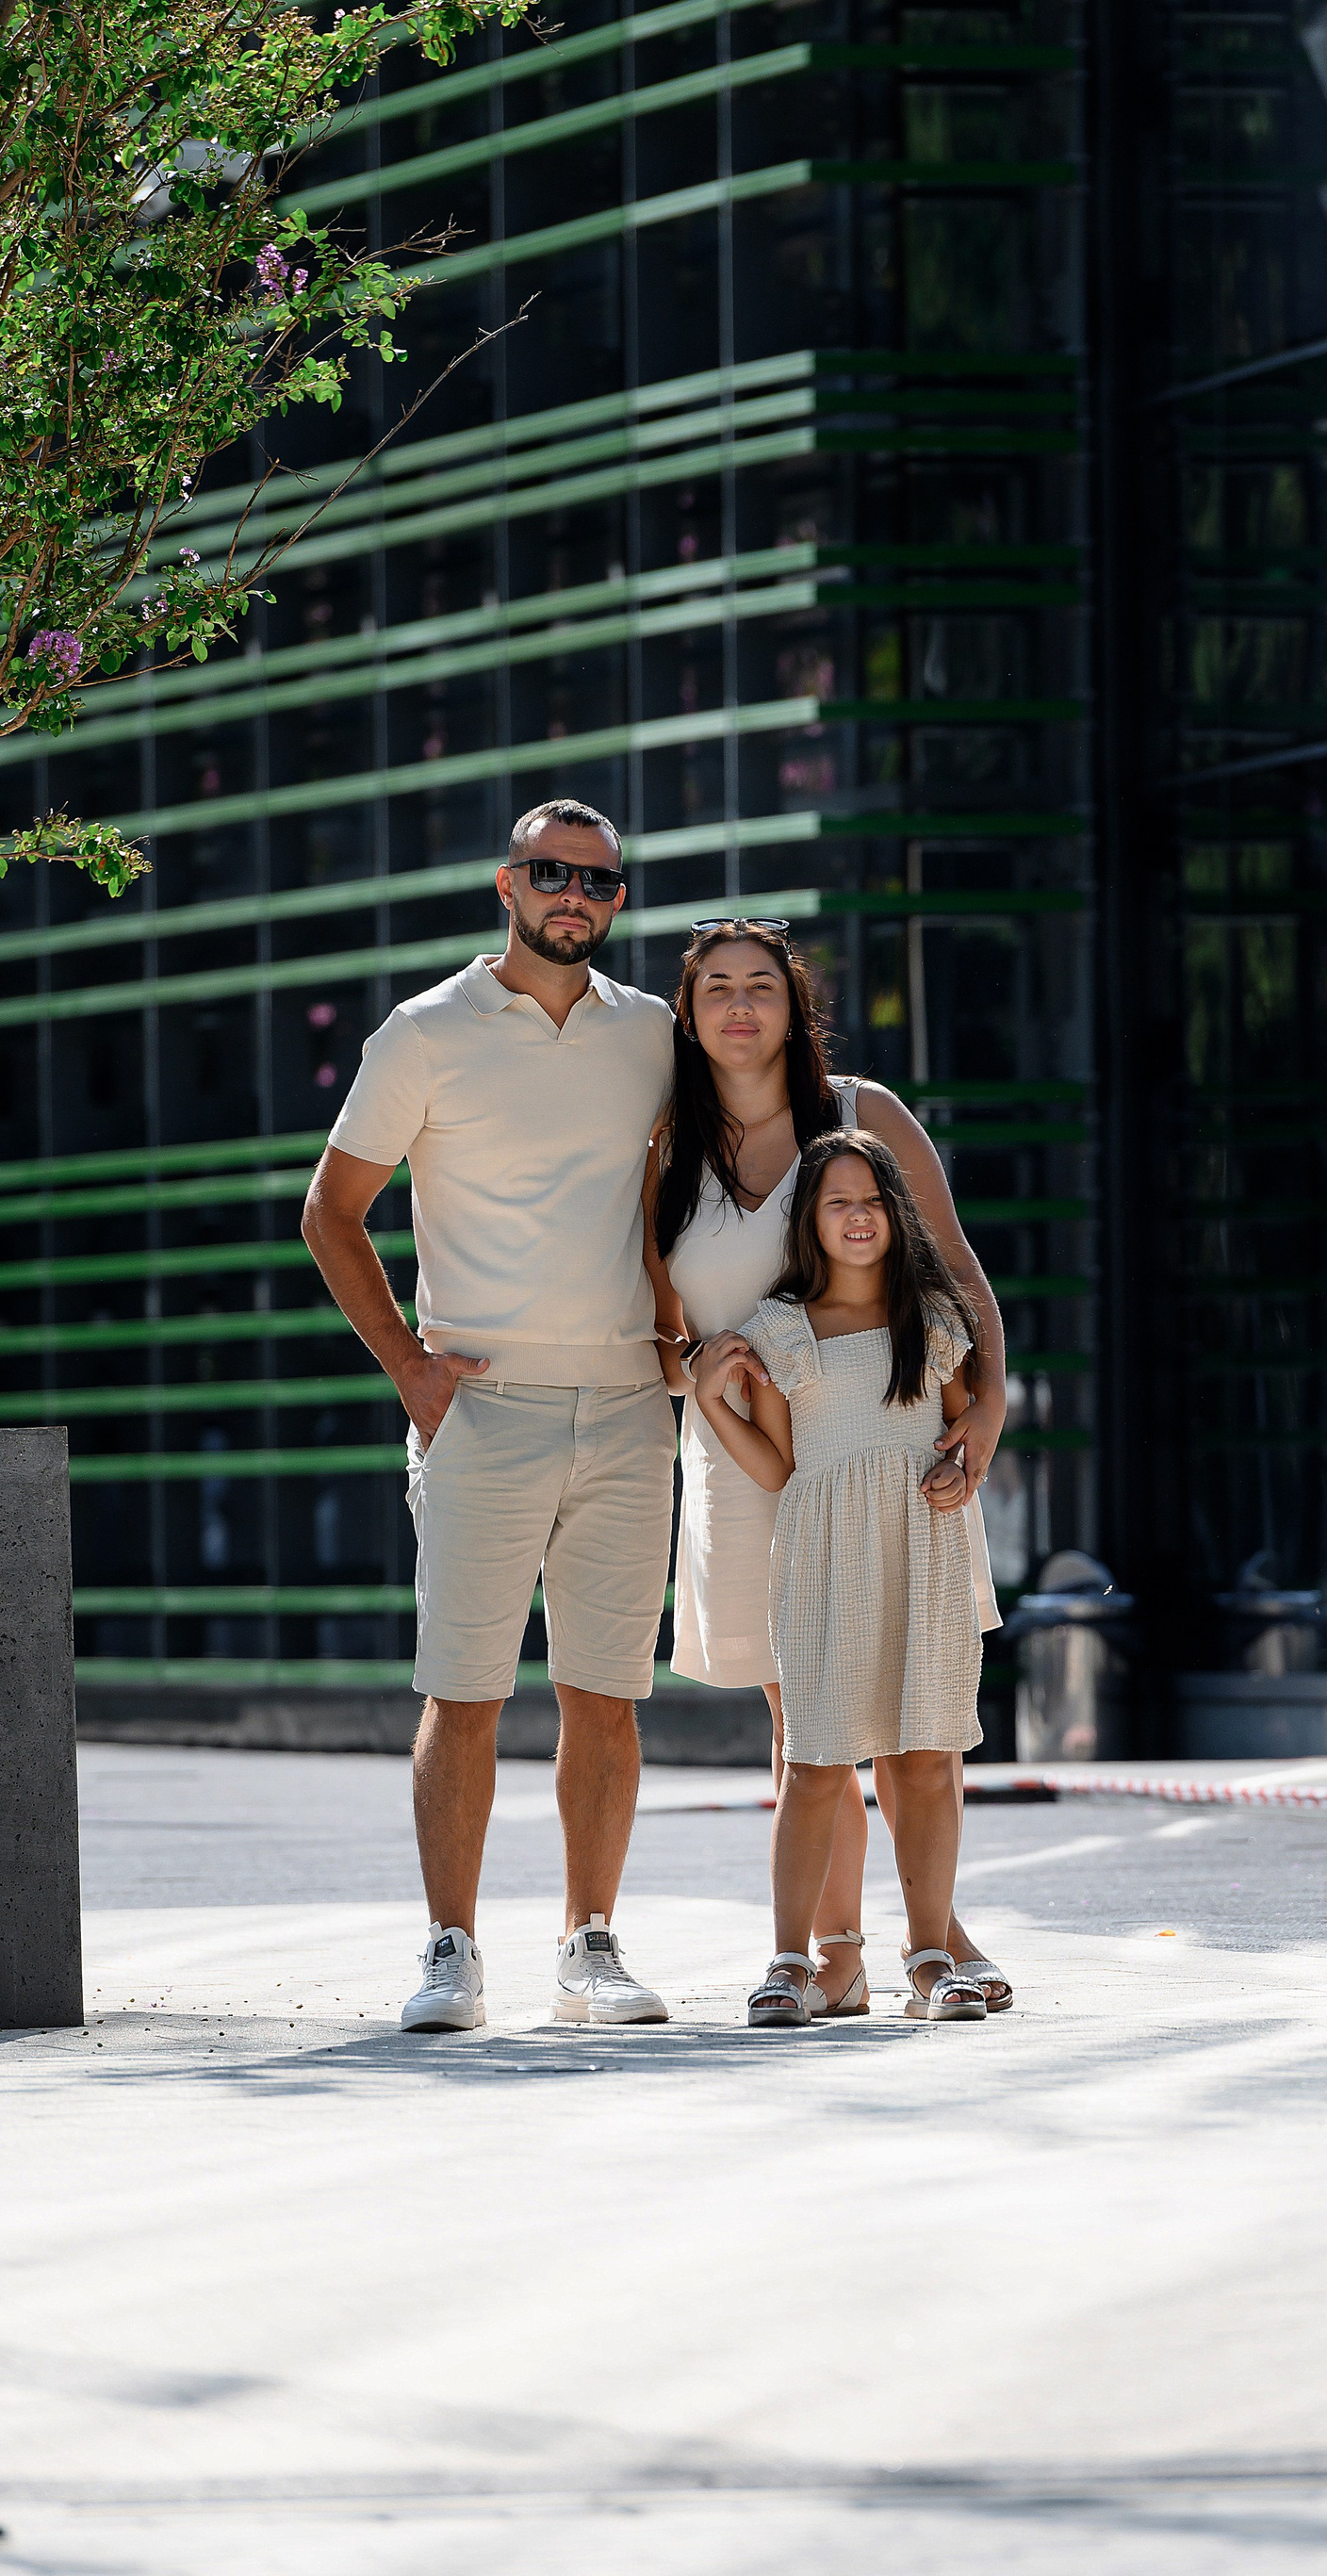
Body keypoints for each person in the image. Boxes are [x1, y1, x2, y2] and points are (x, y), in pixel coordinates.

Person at [301, 800, 677, 2035]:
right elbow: (330, 1212)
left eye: (599, 882)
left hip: (629, 1405)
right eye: (552, 873)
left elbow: (685, 1188)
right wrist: (408, 1368)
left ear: (617, 902)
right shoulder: (424, 1032)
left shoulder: (653, 1033)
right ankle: (452, 1950)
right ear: (505, 885)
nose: (576, 896)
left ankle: (589, 1946)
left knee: (604, 1695)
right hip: (483, 1409)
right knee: (464, 1692)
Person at [646, 916, 1013, 2012]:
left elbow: (957, 1274)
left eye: (762, 985)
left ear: (795, 1004)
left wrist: (989, 1412)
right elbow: (658, 1329)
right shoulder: (663, 1146)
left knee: (917, 1703)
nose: (740, 1006)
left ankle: (935, 1941)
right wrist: (694, 1370)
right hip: (751, 1458)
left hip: (897, 1444)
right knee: (804, 1719)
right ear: (687, 1013)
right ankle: (836, 1952)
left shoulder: (864, 1115)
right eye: (717, 987)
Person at [691, 1130, 1000, 2025]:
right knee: (815, 1760)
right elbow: (780, 1468)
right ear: (811, 1222)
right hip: (824, 1563)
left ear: (896, 1214)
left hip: (921, 1554)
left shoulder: (930, 1322)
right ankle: (793, 1959)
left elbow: (960, 1437)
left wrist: (959, 1474)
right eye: (837, 1203)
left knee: (926, 1757)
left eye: (872, 1200)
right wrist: (711, 1401)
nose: (857, 1217)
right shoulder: (781, 1331)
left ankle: (932, 1957)